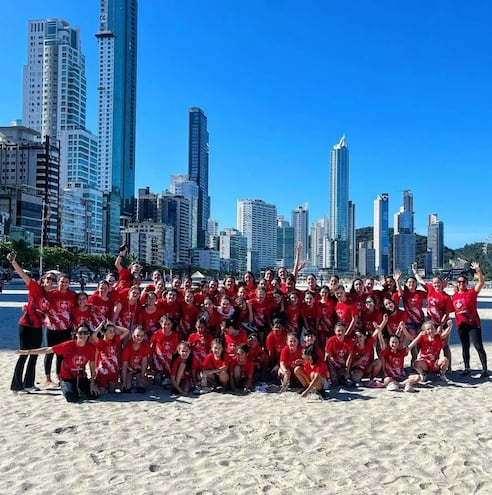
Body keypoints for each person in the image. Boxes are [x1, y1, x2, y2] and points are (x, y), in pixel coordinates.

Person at [16, 323, 100, 402]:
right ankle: (66, 386)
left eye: (85, 333)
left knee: (94, 395)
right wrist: (27, 352)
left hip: (80, 376)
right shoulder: (68, 345)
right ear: (76, 334)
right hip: (67, 378)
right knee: (72, 397)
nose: (83, 335)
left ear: (89, 334)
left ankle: (79, 389)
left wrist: (92, 383)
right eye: (80, 332)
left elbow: (92, 367)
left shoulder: (91, 348)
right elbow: (48, 350)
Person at [7, 252, 52, 392]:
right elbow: (22, 275)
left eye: (52, 280)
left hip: (38, 327)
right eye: (48, 279)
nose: (50, 281)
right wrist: (13, 262)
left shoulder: (51, 295)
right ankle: (16, 385)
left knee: (34, 355)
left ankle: (28, 384)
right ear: (43, 280)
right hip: (26, 325)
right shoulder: (34, 287)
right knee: (24, 354)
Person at [452, 262, 488, 377]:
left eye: (463, 282)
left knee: (478, 346)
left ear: (467, 283)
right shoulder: (454, 296)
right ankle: (467, 368)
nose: (461, 283)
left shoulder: (471, 292)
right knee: (465, 347)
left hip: (473, 324)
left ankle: (484, 369)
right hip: (461, 325)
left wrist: (478, 270)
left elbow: (481, 283)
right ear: (456, 284)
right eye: (459, 282)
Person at [375, 320, 421, 392]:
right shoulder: (387, 352)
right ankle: (405, 385)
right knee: (387, 380)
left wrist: (420, 335)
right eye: (392, 342)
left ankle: (399, 385)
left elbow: (411, 345)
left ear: (399, 343)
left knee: (417, 377)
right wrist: (379, 331)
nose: (394, 344)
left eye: (396, 342)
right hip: (390, 377)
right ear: (389, 343)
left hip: (401, 377)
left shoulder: (401, 352)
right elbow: (381, 342)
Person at [93, 320, 129, 394]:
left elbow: (127, 331)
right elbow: (93, 335)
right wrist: (100, 326)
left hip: (113, 369)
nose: (112, 333)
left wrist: (115, 326)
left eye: (113, 331)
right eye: (110, 331)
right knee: (102, 391)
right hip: (103, 370)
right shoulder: (101, 342)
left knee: (111, 391)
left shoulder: (115, 340)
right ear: (104, 332)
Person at [121, 326, 149, 393]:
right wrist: (124, 382)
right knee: (127, 388)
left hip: (138, 369)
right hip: (129, 370)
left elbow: (144, 362)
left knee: (142, 387)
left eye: (142, 336)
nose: (139, 338)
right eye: (137, 335)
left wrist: (142, 376)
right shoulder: (127, 348)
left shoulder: (145, 345)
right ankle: (127, 381)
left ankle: (137, 380)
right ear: (133, 336)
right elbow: (124, 366)